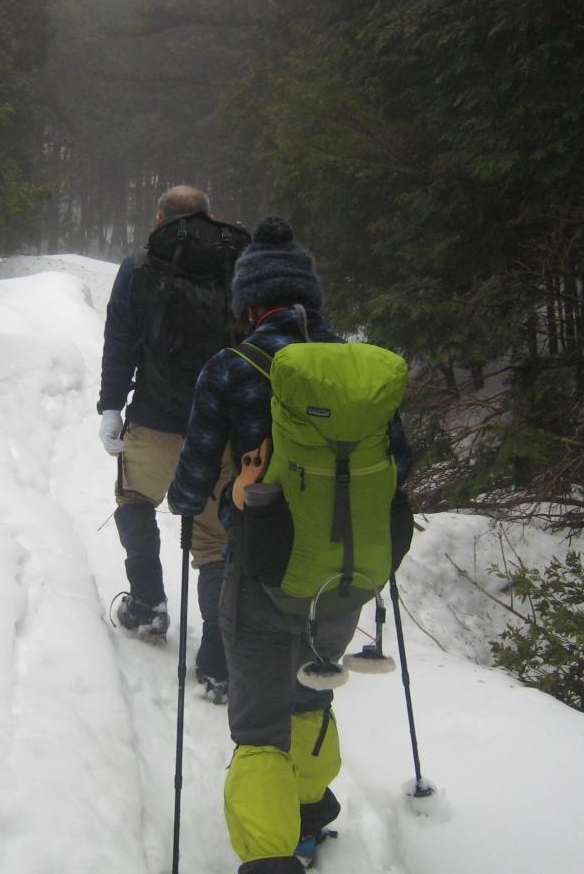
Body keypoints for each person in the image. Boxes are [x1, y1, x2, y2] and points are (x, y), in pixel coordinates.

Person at [167, 216, 413, 873]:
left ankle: (269, 857)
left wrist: (220, 494)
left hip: (262, 575)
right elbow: (403, 466)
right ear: (311, 297)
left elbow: (188, 484)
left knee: (258, 726)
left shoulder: (230, 367)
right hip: (345, 579)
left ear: (249, 304)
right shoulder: (362, 372)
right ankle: (306, 820)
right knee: (311, 692)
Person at [96, 184, 238, 697]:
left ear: (159, 221)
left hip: (153, 419)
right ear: (211, 216)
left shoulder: (139, 266)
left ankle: (148, 605)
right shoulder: (235, 263)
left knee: (134, 499)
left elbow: (119, 339)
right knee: (214, 540)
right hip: (217, 431)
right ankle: (217, 658)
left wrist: (111, 406)